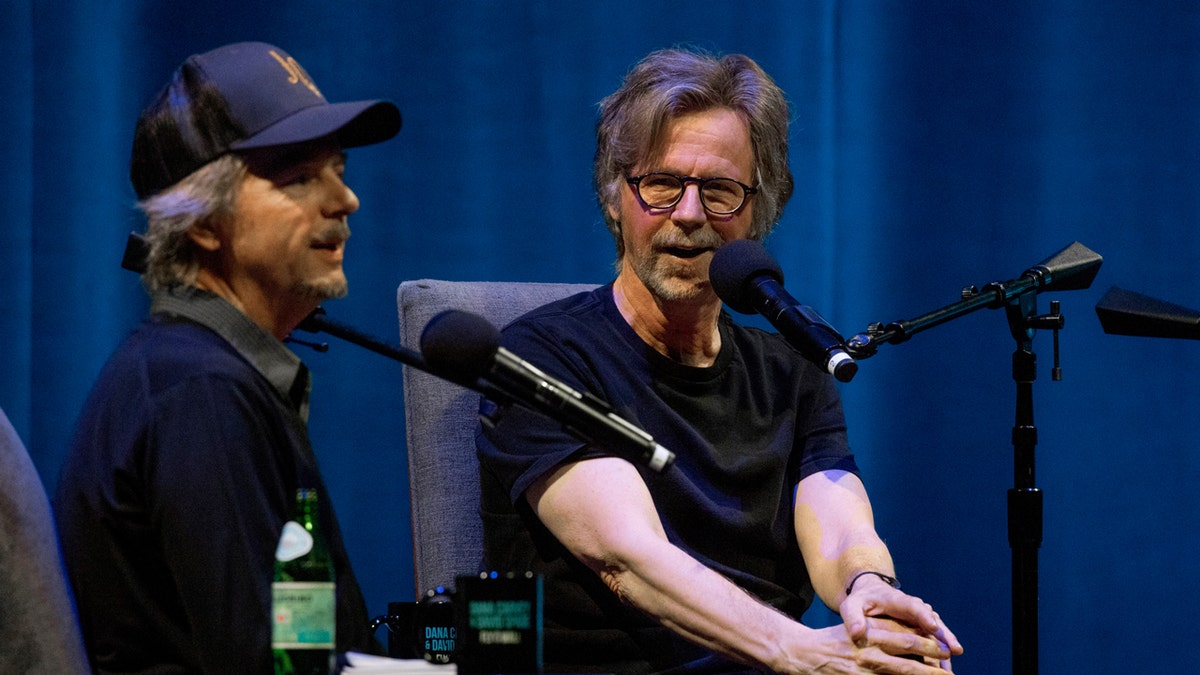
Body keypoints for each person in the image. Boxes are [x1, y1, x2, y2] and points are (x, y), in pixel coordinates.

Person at [476, 48, 963, 674]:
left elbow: (841, 531)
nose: (688, 214)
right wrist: (798, 648)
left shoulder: (793, 367)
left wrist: (870, 595)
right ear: (615, 199)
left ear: (759, 210)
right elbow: (628, 558)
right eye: (661, 184)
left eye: (719, 191)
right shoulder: (541, 359)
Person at [54, 41, 401, 673]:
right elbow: (270, 663)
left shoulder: (197, 374)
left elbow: (302, 643)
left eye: (339, 171)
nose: (343, 201)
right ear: (205, 224)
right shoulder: (200, 393)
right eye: (298, 179)